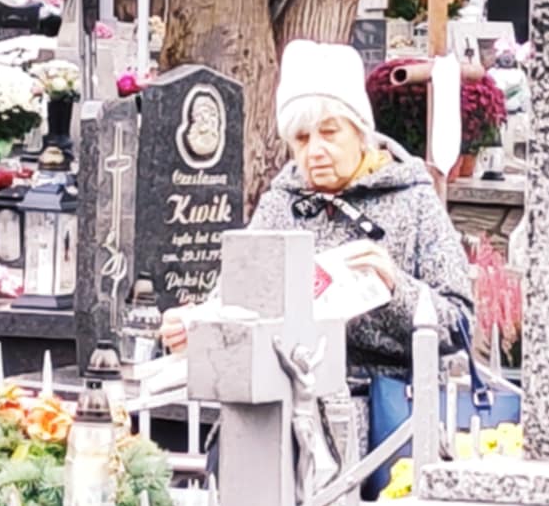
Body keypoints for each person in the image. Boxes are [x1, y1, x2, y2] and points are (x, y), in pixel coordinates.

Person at [162, 39, 472, 383]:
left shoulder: (413, 199)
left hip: (389, 401)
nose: (315, 151)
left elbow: (459, 326)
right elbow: (233, 301)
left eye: (329, 133)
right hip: (285, 397)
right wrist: (194, 326)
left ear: (360, 132)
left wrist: (397, 287)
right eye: (302, 139)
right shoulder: (280, 204)